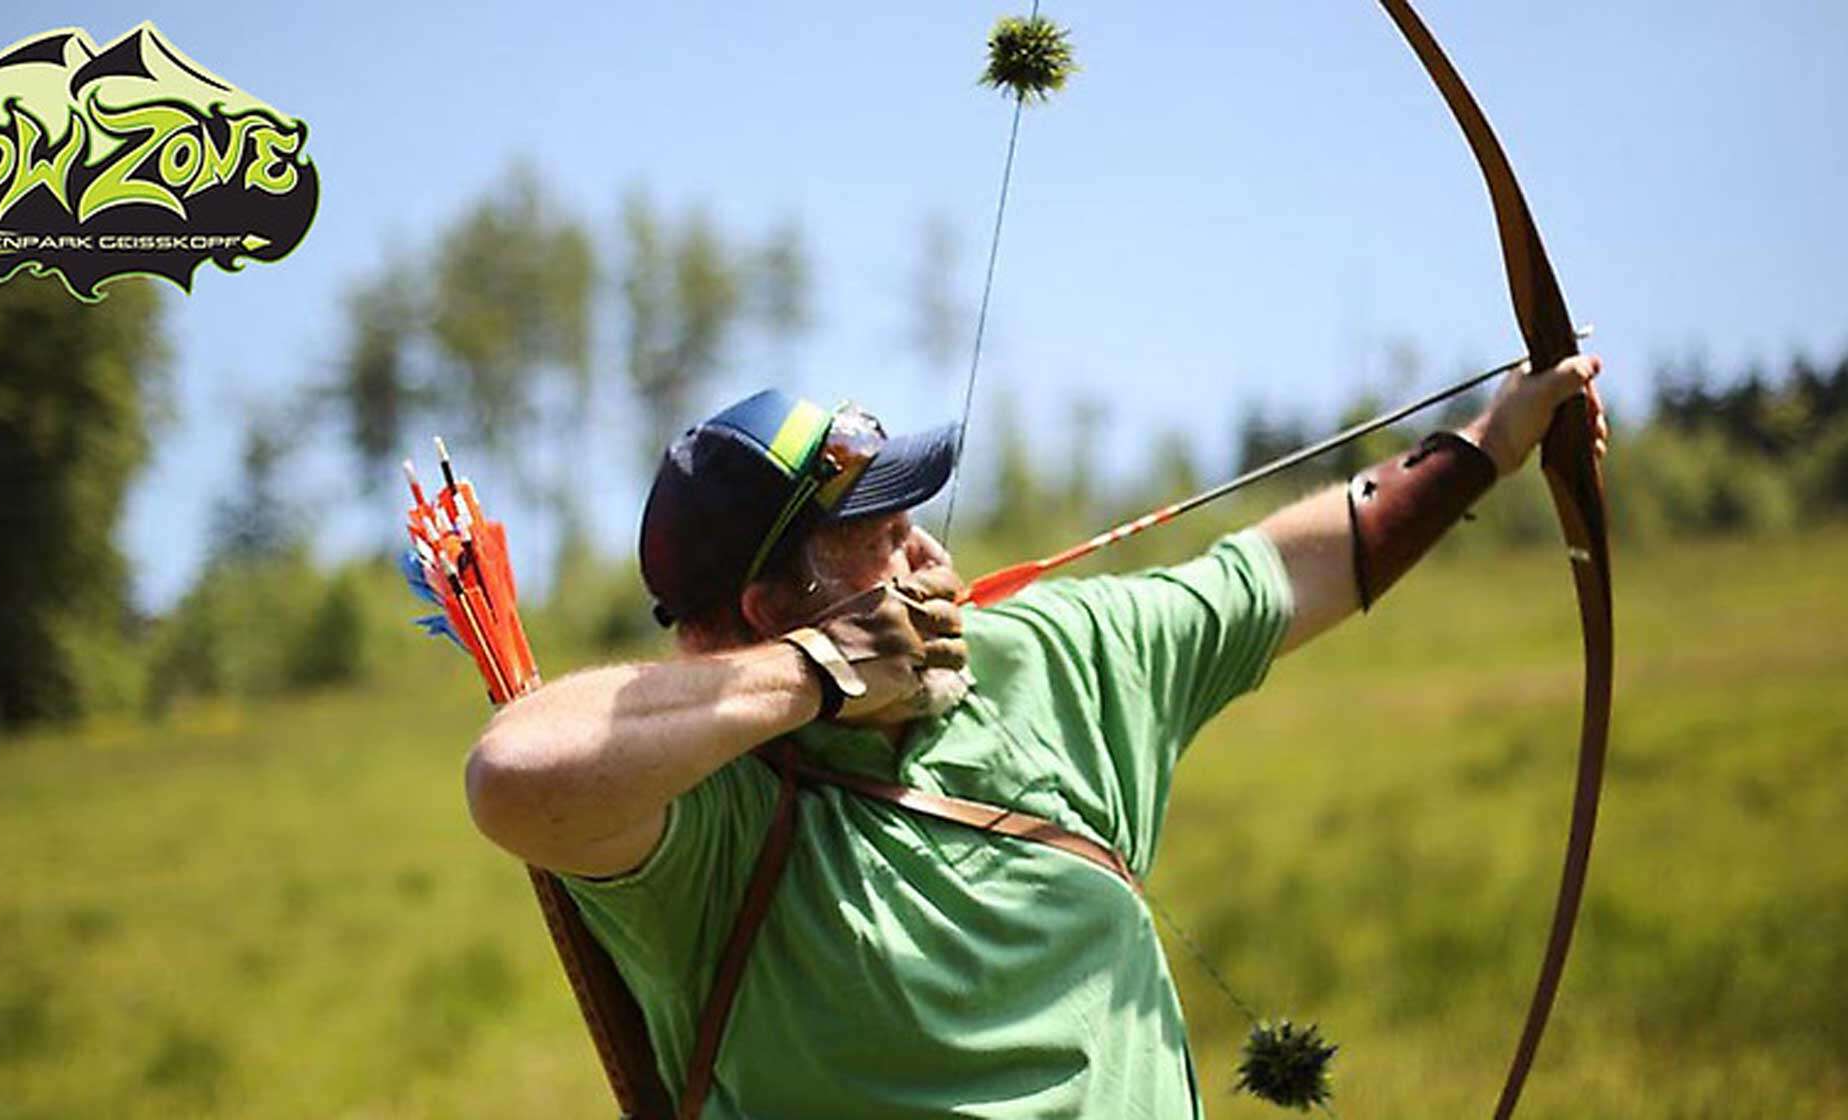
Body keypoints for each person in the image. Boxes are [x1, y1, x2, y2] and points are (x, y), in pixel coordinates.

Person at [464, 356, 1607, 1118]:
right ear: (770, 609)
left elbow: (1292, 569)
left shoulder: (1048, 656)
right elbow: (516, 770)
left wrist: (1496, 440)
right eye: (878, 537)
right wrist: (819, 675)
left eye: (916, 522)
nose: (926, 557)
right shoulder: (708, 820)